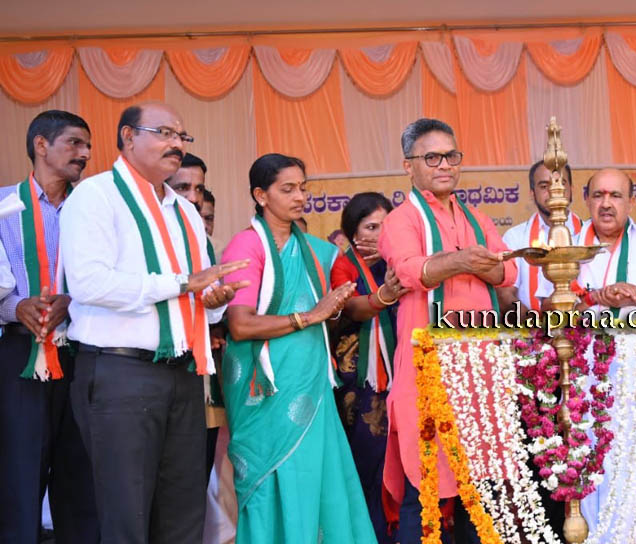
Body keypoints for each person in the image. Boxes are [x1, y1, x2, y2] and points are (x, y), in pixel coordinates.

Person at [60, 102, 246, 542]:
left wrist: (214, 302)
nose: (176, 144)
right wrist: (181, 283)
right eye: (164, 133)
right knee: (126, 516)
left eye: (182, 137)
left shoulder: (185, 211)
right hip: (121, 374)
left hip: (183, 375)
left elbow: (198, 293)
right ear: (127, 136)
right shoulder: (95, 195)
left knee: (182, 515)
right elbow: (88, 283)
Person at [219, 153, 374, 542]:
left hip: (311, 385)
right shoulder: (245, 246)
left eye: (303, 188)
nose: (300, 197)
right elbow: (240, 325)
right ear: (261, 195)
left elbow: (342, 311)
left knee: (316, 480)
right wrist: (309, 316)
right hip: (265, 392)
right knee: (270, 481)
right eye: (288, 189)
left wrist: (382, 296)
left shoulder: (317, 252)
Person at [536, 168, 636, 543]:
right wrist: (595, 297)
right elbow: (546, 309)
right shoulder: (567, 246)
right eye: (599, 195)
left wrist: (635, 298)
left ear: (632, 200)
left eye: (616, 195)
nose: (606, 204)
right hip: (589, 385)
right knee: (598, 473)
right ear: (585, 200)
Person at [378, 118, 517, 543]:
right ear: (409, 165)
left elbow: (508, 271)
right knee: (422, 488)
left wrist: (464, 263)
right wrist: (462, 261)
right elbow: (410, 271)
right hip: (428, 372)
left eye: (451, 156)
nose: (445, 165)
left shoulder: (477, 218)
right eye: (432, 157)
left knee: (482, 491)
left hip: (478, 372)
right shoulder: (401, 220)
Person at [0, 110, 99, 543]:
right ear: (41, 145)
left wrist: (72, 301)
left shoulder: (95, 208)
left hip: (82, 352)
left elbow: (109, 275)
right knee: (18, 474)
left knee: (81, 476)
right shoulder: (3, 205)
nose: (85, 153)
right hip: (19, 356)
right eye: (75, 143)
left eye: (87, 145)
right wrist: (14, 306)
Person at [330, 192, 409, 543]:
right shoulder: (343, 265)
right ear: (352, 233)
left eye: (386, 227)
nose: (379, 234)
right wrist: (384, 295)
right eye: (371, 227)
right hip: (361, 385)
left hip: (403, 375)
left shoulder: (401, 261)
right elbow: (350, 308)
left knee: (405, 464)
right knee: (368, 464)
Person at [499, 160, 583, 312]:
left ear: (571, 189)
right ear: (532, 194)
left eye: (561, 184)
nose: (553, 191)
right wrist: (536, 323)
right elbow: (505, 296)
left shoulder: (588, 233)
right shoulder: (515, 237)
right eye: (544, 186)